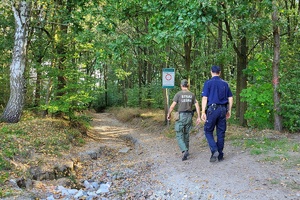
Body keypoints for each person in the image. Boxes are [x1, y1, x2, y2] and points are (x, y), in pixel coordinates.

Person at [201, 65, 233, 162]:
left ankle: (214, 150)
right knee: (221, 133)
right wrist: (229, 110)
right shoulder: (225, 83)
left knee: (208, 131)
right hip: (223, 110)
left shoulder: (208, 83)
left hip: (212, 109)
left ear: (211, 72)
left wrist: (203, 111)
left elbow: (205, 98)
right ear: (220, 72)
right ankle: (220, 155)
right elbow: (230, 98)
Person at [167, 79, 201, 161]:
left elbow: (172, 106)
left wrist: (169, 114)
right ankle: (187, 150)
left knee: (179, 134)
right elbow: (197, 106)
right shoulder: (192, 94)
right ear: (188, 86)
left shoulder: (178, 94)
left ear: (181, 85)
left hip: (181, 116)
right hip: (189, 116)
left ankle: (184, 150)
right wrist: (199, 116)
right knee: (186, 134)